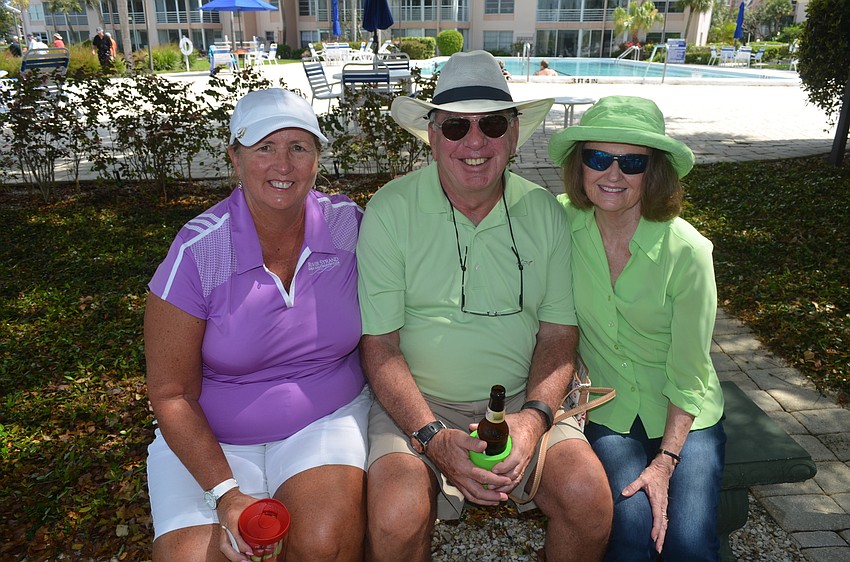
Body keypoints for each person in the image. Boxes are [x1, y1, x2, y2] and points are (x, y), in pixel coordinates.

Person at [357, 50, 613, 562]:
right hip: (420, 405)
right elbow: (379, 346)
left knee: (590, 502)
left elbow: (559, 334)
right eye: (455, 127)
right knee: (394, 517)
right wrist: (432, 437)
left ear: (515, 134)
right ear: (431, 135)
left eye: (492, 124)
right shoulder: (389, 210)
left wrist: (535, 419)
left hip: (522, 400)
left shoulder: (544, 213)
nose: (474, 142)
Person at [145, 88, 370, 562]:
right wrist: (226, 494)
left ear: (316, 159)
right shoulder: (198, 252)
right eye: (264, 147)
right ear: (235, 157)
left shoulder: (349, 225)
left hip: (322, 419)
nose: (282, 165)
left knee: (322, 543)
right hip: (212, 437)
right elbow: (171, 394)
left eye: (298, 147)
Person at [548, 96, 726, 561]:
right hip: (608, 405)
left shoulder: (688, 252)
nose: (612, 174)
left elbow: (690, 372)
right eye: (598, 158)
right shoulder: (557, 221)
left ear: (655, 173)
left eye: (631, 162)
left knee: (687, 543)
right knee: (629, 531)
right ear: (580, 165)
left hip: (684, 410)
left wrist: (666, 462)